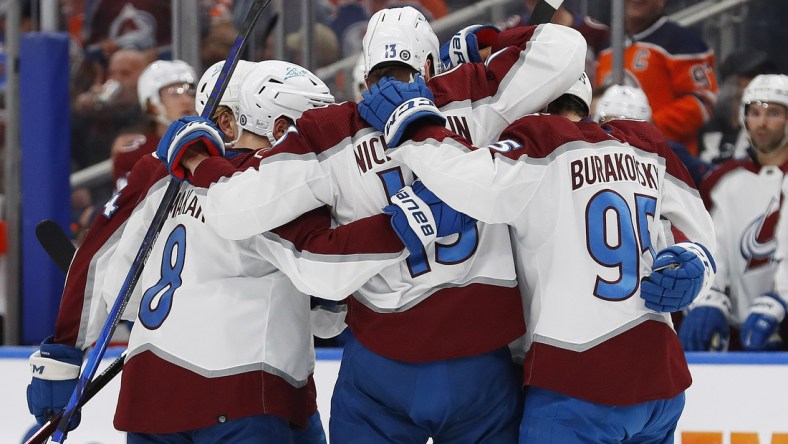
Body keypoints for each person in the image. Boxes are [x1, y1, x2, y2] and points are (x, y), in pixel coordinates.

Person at [158, 6, 586, 442]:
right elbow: (565, 47)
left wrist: (200, 162)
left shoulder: (328, 130)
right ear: (430, 64)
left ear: (364, 73)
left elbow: (231, 210)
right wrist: (491, 43)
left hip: (382, 364)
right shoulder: (472, 94)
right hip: (482, 361)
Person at [357, 70, 716, 443]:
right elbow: (699, 232)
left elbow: (469, 177)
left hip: (578, 381)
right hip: (662, 381)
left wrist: (412, 125)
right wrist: (698, 262)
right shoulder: (645, 143)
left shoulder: (541, 140)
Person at [24, 60, 342, 442]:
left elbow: (104, 272)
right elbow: (329, 305)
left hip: (148, 398)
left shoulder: (158, 171)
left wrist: (64, 353)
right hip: (245, 393)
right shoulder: (276, 185)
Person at [680, 74, 788, 352]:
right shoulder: (723, 180)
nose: (762, 122)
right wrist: (708, 294)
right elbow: (706, 244)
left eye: (773, 113)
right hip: (739, 332)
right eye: (755, 112)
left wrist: (783, 299)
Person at [595, 0, 719, 155]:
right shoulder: (609, 46)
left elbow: (704, 100)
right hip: (610, 157)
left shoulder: (682, 41)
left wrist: (650, 127)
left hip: (668, 161)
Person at [594, 84, 713, 187]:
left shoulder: (667, 154)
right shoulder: (588, 153)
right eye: (609, 128)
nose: (620, 137)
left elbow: (711, 177)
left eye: (630, 129)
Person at [111, 59, 196, 191]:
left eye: (190, 92)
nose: (187, 100)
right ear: (152, 105)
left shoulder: (214, 142)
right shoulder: (133, 155)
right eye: (174, 93)